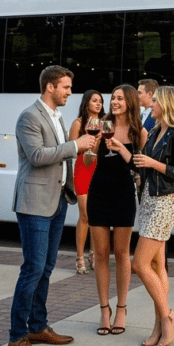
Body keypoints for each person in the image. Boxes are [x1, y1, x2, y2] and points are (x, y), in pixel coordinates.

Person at [7, 66, 95, 346]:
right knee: (32, 268)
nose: (70, 92)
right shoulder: (29, 117)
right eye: (66, 87)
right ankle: (17, 337)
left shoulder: (58, 117)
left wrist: (80, 153)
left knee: (46, 268)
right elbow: (36, 156)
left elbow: (61, 157)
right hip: (34, 203)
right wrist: (75, 145)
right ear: (50, 87)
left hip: (57, 200)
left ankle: (38, 327)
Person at [131, 86, 174, 346]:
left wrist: (153, 164)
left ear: (166, 104)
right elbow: (141, 162)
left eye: (155, 101)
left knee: (139, 264)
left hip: (164, 204)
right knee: (157, 266)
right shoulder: (156, 131)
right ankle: (158, 326)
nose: (151, 104)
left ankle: (168, 316)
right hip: (148, 200)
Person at [88, 84, 147, 336]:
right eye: (113, 98)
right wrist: (92, 145)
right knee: (101, 254)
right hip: (98, 193)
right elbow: (88, 160)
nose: (114, 102)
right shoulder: (101, 124)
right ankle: (104, 310)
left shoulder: (139, 132)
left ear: (130, 102)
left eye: (120, 98)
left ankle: (121, 308)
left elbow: (139, 167)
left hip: (123, 195)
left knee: (122, 254)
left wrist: (121, 148)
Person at [68, 90, 104, 275]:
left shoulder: (105, 123)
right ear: (86, 103)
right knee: (85, 215)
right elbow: (70, 150)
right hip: (83, 169)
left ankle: (94, 254)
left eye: (100, 101)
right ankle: (79, 257)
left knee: (97, 216)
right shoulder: (78, 123)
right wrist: (86, 144)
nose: (98, 104)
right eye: (94, 100)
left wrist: (100, 142)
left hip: (100, 170)